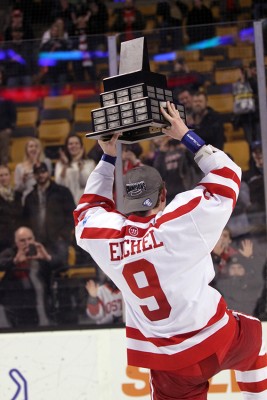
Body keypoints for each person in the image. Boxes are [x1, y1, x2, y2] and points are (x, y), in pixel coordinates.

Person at [74, 101, 267, 399]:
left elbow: (88, 209)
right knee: (254, 338)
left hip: (170, 364)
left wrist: (108, 156)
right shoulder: (180, 221)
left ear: (124, 203)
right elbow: (228, 174)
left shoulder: (107, 237)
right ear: (163, 194)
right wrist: (185, 134)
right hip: (218, 338)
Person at [0, 226, 63, 328]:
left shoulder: (40, 251)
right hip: (15, 304)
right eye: (22, 240)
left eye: (30, 239)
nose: (27, 243)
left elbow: (62, 265)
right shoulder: (10, 253)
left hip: (43, 300)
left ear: (34, 239)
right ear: (16, 242)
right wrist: (14, 261)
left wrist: (47, 257)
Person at [23, 162, 76, 266]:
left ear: (48, 172)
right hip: (37, 241)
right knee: (33, 269)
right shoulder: (29, 197)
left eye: (43, 172)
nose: (41, 175)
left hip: (58, 239)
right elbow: (25, 220)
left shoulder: (62, 192)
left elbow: (72, 215)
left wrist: (63, 235)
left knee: (60, 265)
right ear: (34, 175)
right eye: (37, 173)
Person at [54, 134, 96, 205]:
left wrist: (80, 166)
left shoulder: (89, 163)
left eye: (76, 143)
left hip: (84, 203)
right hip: (66, 203)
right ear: (67, 147)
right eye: (70, 144)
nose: (74, 146)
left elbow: (86, 183)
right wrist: (65, 166)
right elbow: (59, 184)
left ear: (81, 146)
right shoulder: (60, 164)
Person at [14, 137, 52, 205]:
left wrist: (35, 162)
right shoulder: (19, 167)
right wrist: (23, 180)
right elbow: (18, 189)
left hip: (46, 197)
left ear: (40, 149)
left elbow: (49, 180)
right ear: (26, 150)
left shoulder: (46, 162)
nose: (34, 148)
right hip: (28, 199)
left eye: (36, 146)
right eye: (31, 146)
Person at [0, 165, 22, 253]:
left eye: (6, 175)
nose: (3, 178)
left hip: (17, 240)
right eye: (0, 175)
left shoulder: (18, 195)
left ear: (10, 176)